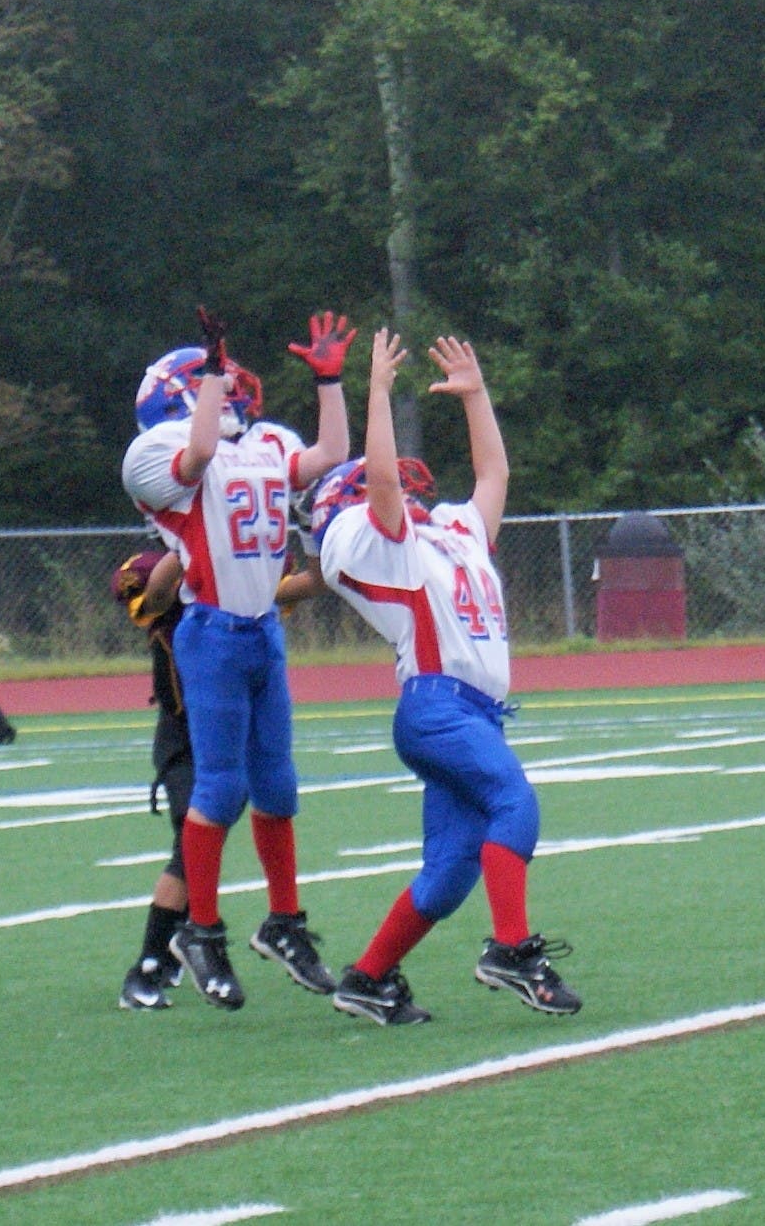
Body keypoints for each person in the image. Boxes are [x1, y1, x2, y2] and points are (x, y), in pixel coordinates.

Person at [311, 327, 582, 1025]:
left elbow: (494, 476)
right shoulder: (378, 541)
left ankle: (368, 977)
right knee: (514, 802)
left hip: (471, 713)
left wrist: (476, 395)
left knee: (451, 869)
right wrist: (374, 394)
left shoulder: (452, 532)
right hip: (437, 706)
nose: (413, 482)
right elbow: (378, 486)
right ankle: (512, 949)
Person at [121, 305, 355, 1010]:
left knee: (279, 787)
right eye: (217, 379)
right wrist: (216, 379)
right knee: (219, 791)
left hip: (260, 631)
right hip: (212, 632)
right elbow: (193, 459)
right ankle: (201, 931)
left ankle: (284, 922)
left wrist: (330, 382)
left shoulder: (263, 443)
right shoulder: (154, 452)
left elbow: (328, 455)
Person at [110, 547, 193, 1010]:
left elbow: (288, 589)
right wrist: (190, 543)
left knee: (204, 848)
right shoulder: (160, 567)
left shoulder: (237, 565)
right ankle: (147, 964)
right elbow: (142, 589)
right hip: (184, 736)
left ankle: (188, 938)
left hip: (228, 732)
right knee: (191, 844)